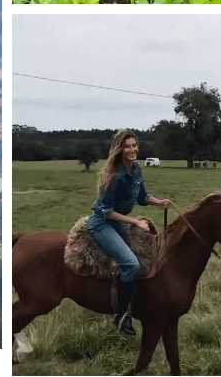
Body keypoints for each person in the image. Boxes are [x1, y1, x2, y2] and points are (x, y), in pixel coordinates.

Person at [87, 130, 171, 336]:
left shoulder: (136, 168)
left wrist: (158, 202)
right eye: (128, 146)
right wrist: (136, 221)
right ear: (119, 149)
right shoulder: (113, 175)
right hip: (103, 224)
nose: (133, 150)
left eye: (135, 145)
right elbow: (107, 212)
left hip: (121, 223)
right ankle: (123, 317)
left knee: (144, 262)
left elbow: (142, 196)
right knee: (131, 264)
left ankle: (136, 306)